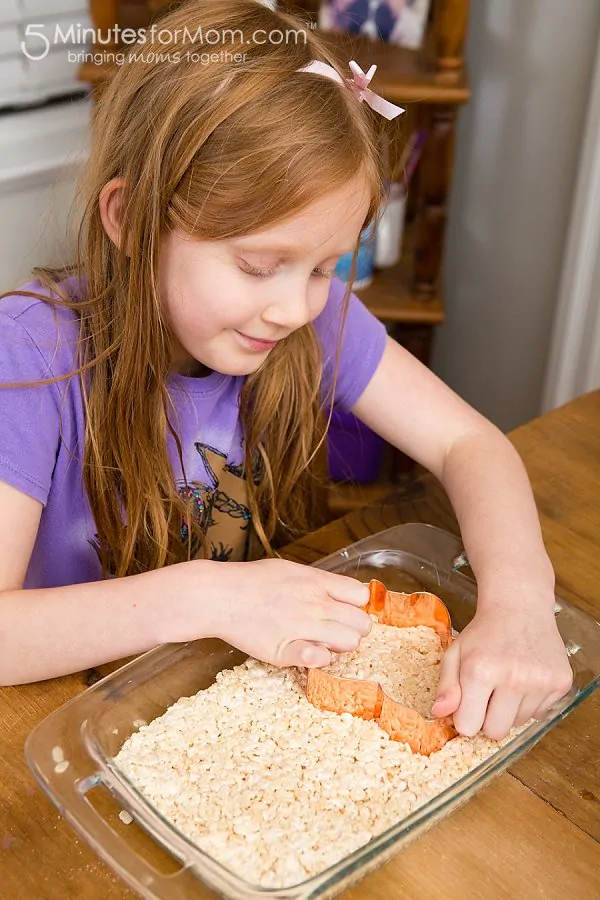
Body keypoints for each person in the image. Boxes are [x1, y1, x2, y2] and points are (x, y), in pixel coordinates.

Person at [0, 0, 572, 742]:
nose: (294, 308)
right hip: (58, 724)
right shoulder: (30, 353)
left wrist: (522, 605)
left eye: (326, 267)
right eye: (259, 265)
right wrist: (208, 596)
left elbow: (472, 446)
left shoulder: (312, 315)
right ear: (129, 219)